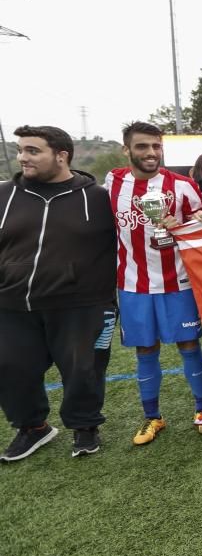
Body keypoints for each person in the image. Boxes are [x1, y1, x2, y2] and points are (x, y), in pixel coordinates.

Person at [0, 125, 117, 461]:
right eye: (21, 149)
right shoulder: (4, 195)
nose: (23, 157)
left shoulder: (98, 197)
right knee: (10, 367)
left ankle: (85, 426)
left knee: (84, 369)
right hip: (12, 303)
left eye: (33, 151)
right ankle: (33, 427)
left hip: (81, 304)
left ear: (61, 156)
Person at [105, 122, 202, 445]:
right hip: (133, 284)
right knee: (145, 349)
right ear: (127, 150)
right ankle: (153, 417)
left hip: (177, 281)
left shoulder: (182, 185)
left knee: (189, 345)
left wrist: (182, 225)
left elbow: (201, 225)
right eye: (142, 147)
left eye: (155, 146)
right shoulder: (113, 181)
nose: (151, 153)